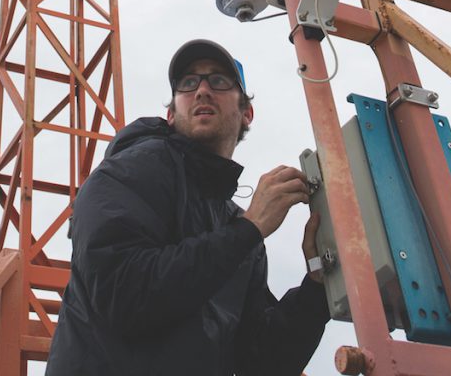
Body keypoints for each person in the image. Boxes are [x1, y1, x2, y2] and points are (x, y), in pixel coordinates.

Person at [46, 38, 329, 376]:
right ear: (170, 114)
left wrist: (317, 284)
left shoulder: (237, 228)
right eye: (188, 83)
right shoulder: (130, 171)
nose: (202, 90)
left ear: (246, 114)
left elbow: (261, 361)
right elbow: (124, 296)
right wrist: (248, 231)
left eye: (219, 81)